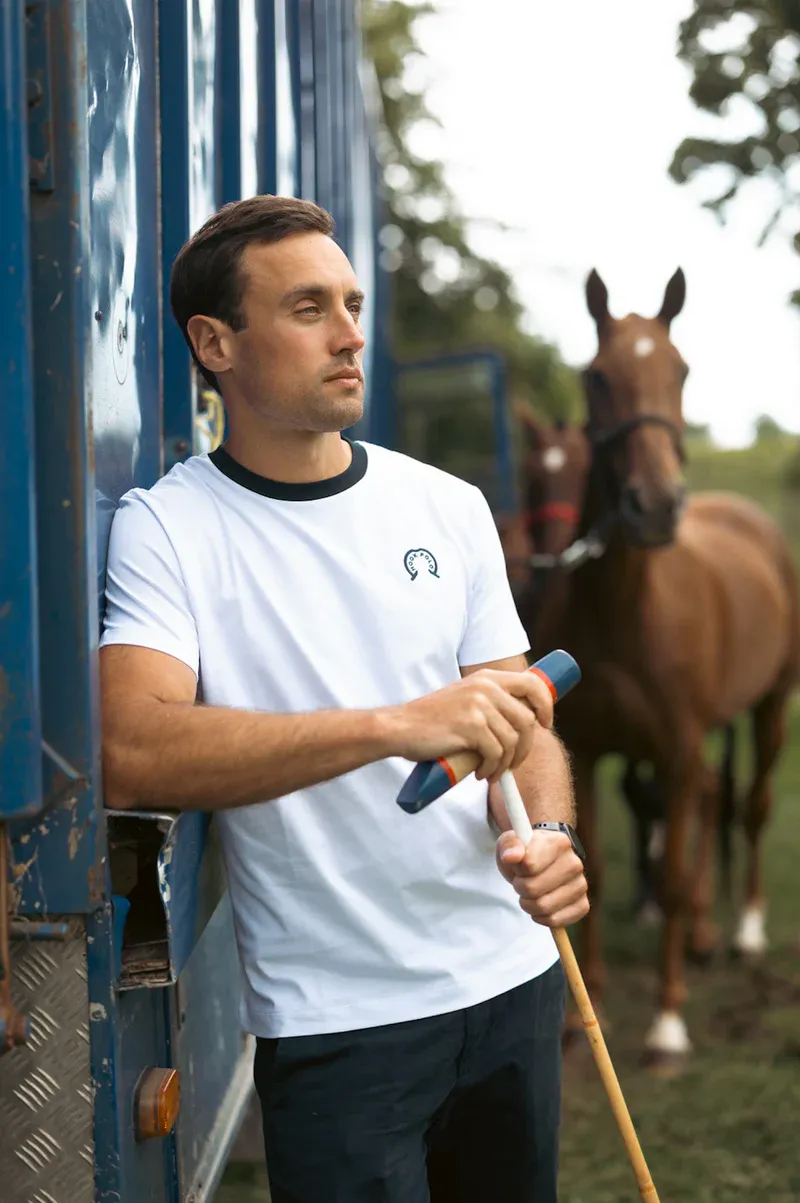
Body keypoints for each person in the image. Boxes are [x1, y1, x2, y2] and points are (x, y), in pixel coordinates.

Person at [100, 195, 589, 1203]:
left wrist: (549, 833)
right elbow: (133, 747)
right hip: (338, 1023)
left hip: (510, 981)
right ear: (215, 342)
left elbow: (521, 718)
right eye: (308, 308)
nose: (351, 334)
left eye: (352, 303)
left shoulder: (443, 507)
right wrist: (390, 726)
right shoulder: (168, 529)